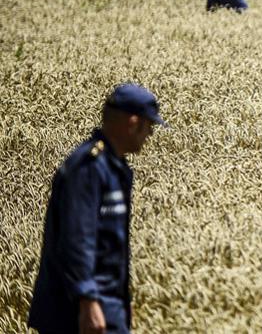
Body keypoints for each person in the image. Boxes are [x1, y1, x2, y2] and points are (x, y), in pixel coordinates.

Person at [28, 83, 167, 334]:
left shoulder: (113, 167)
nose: (150, 135)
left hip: (105, 304)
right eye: (149, 126)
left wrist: (120, 303)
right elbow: (77, 239)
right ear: (133, 123)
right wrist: (88, 301)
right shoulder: (88, 168)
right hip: (76, 311)